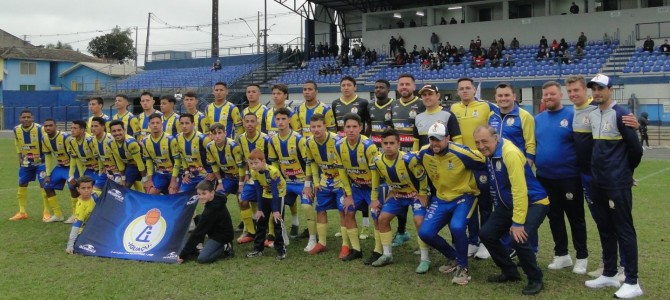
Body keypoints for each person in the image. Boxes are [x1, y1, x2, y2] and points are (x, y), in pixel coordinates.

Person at [566, 75, 637, 281]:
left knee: (619, 224)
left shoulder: (604, 111)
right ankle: (609, 266)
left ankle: (624, 267)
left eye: (576, 91)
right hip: (590, 177)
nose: (573, 95)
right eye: (569, 92)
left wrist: (625, 172)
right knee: (602, 222)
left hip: (611, 178)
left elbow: (632, 146)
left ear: (585, 92)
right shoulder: (578, 113)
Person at [584, 74, 643, 299]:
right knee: (605, 228)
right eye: (594, 89)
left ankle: (632, 281)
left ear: (610, 89)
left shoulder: (622, 114)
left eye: (600, 88)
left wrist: (625, 173)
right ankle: (608, 273)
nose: (596, 92)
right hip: (598, 182)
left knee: (624, 229)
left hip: (616, 183)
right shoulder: (594, 114)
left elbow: (635, 150)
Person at [474, 125, 549, 296]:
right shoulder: (489, 153)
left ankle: (535, 279)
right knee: (486, 234)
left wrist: (517, 222)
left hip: (534, 202)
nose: (481, 146)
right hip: (509, 205)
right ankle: (510, 271)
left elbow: (520, 190)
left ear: (496, 138)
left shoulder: (510, 153)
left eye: (484, 141)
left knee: (518, 238)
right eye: (477, 142)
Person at [416, 122, 486, 283]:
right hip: (441, 198)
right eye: (432, 139)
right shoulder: (424, 153)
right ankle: (454, 257)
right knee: (425, 233)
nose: (435, 143)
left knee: (457, 227)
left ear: (448, 138)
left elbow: (484, 160)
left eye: (439, 139)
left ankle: (463, 268)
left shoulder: (461, 152)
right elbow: (411, 163)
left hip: (464, 196)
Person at [534, 81, 588, 274]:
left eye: (552, 94)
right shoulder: (538, 119)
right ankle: (562, 255)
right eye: (545, 95)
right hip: (545, 178)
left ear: (560, 95)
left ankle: (582, 256)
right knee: (554, 217)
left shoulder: (572, 116)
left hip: (569, 178)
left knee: (575, 218)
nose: (548, 97)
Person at [371, 128, 431, 273]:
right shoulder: (377, 161)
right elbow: (376, 181)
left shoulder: (409, 159)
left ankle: (425, 259)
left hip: (415, 194)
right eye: (385, 143)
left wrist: (423, 193)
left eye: (392, 143)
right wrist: (374, 199)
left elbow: (422, 178)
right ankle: (387, 255)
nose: (388, 146)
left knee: (418, 221)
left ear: (399, 144)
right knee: (382, 219)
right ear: (381, 145)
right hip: (397, 195)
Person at [450, 78, 497, 259]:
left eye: (467, 88)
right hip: (463, 164)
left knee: (485, 204)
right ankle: (473, 241)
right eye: (461, 89)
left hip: (482, 163)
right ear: (458, 91)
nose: (464, 91)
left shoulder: (486, 107)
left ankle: (486, 242)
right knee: (468, 204)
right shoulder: (453, 109)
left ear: (473, 90)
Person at [268, 108, 314, 251]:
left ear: (289, 120)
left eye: (283, 119)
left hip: (302, 182)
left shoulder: (299, 139)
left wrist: (307, 184)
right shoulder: (273, 141)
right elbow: (274, 163)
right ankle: (281, 236)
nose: (280, 122)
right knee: (275, 207)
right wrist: (275, 182)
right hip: (286, 182)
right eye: (278, 119)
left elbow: (308, 163)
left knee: (306, 207)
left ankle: (313, 238)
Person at [335, 113, 379, 261]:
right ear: (343, 128)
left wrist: (374, 198)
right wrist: (348, 195)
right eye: (348, 127)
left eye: (354, 127)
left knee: (376, 215)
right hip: (356, 187)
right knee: (348, 211)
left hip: (374, 186)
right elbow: (342, 172)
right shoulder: (339, 146)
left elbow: (376, 174)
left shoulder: (369, 146)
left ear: (360, 128)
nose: (351, 130)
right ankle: (356, 250)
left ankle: (378, 251)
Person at [390, 74, 424, 245]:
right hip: (397, 159)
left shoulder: (421, 104)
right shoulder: (393, 105)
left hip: (416, 160)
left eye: (407, 84)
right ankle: (401, 231)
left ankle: (425, 237)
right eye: (401, 84)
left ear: (413, 86)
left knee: (420, 196)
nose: (404, 87)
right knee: (400, 194)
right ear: (397, 87)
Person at [236, 113, 274, 244]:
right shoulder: (240, 139)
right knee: (243, 201)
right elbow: (243, 160)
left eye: (252, 121)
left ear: (257, 123)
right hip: (252, 178)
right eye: (247, 121)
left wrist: (269, 177)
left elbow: (271, 159)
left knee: (267, 204)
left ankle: (270, 234)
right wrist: (244, 177)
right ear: (243, 123)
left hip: (265, 177)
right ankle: (251, 232)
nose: (250, 124)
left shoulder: (265, 138)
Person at [177, 180, 235, 264]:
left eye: (204, 193)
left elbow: (197, 234)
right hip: (216, 227)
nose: (201, 197)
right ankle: (199, 246)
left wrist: (182, 255)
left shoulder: (210, 211)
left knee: (202, 258)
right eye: (199, 194)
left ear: (212, 192)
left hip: (222, 236)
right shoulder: (217, 196)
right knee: (198, 218)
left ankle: (225, 247)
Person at [245, 149, 288, 260]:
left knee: (277, 221)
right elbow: (258, 191)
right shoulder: (253, 172)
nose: (253, 166)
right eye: (251, 163)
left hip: (278, 194)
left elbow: (275, 191)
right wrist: (259, 209)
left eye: (256, 163)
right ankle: (258, 249)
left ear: (263, 161)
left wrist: (275, 210)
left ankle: (281, 250)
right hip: (265, 193)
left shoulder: (273, 171)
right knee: (261, 220)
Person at [9, 110, 49, 221]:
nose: (26, 119)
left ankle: (46, 212)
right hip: (26, 162)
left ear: (32, 118)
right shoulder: (16, 130)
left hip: (40, 162)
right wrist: (19, 158)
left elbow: (47, 143)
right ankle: (22, 212)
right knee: (22, 184)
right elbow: (17, 144)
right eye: (24, 117)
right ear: (20, 118)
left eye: (28, 117)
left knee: (44, 185)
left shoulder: (40, 129)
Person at [41, 118, 73, 223]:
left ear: (56, 126)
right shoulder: (44, 138)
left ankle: (76, 215)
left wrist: (72, 174)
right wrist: (48, 174)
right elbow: (48, 156)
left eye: (50, 125)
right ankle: (58, 215)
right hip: (60, 167)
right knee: (47, 186)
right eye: (46, 126)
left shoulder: (66, 138)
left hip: (72, 166)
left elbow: (74, 156)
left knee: (73, 186)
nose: (48, 128)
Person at [413, 84, 462, 150]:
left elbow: (457, 140)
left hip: (444, 159)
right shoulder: (418, 117)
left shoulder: (448, 115)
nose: (427, 97)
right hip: (424, 159)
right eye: (424, 95)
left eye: (430, 94)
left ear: (437, 96)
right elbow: (416, 142)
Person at [142, 113, 181, 195]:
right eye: (152, 123)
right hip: (160, 173)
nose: (155, 125)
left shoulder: (171, 140)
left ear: (161, 124)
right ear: (149, 125)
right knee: (150, 192)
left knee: (172, 193)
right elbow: (148, 162)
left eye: (157, 123)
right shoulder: (145, 141)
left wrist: (173, 181)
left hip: (174, 173)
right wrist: (149, 180)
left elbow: (177, 161)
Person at [206, 123, 245, 198]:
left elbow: (241, 167)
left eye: (220, 133)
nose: (217, 136)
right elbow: (214, 166)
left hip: (241, 177)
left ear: (225, 133)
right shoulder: (209, 147)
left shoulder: (233, 146)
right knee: (217, 198)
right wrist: (220, 182)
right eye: (214, 133)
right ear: (211, 136)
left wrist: (241, 184)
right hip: (228, 178)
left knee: (242, 201)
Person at [176, 114, 212, 193]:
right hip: (191, 176)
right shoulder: (178, 138)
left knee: (206, 198)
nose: (184, 126)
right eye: (182, 123)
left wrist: (212, 173)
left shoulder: (203, 139)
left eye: (187, 123)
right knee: (180, 196)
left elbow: (215, 156)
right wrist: (186, 172)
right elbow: (182, 157)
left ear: (193, 124)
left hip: (205, 176)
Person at [108, 120, 147, 190]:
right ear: (110, 132)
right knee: (122, 186)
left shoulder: (131, 143)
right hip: (130, 165)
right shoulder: (111, 143)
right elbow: (119, 161)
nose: (117, 133)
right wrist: (123, 178)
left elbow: (140, 162)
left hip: (144, 165)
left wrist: (145, 180)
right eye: (114, 131)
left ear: (124, 130)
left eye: (119, 130)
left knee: (148, 188)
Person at [65, 176, 99, 254]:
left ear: (92, 188)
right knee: (82, 246)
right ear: (78, 190)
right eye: (83, 188)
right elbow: (76, 226)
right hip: (86, 230)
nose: (86, 190)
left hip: (99, 227)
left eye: (89, 187)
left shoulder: (95, 195)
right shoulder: (80, 206)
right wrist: (70, 246)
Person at [90, 117, 118, 189]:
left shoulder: (111, 139)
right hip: (106, 172)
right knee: (95, 191)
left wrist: (119, 173)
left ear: (103, 127)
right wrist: (101, 172)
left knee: (115, 195)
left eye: (96, 126)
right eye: (92, 126)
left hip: (118, 172)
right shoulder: (93, 140)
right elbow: (100, 158)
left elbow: (119, 157)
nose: (93, 128)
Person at [367, 79, 394, 145]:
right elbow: (369, 126)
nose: (378, 89)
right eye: (376, 88)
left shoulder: (395, 104)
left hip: (390, 146)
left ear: (388, 90)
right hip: (375, 147)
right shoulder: (370, 106)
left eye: (381, 87)